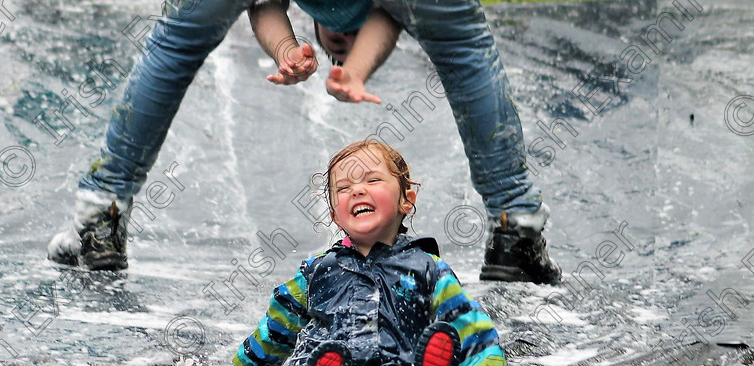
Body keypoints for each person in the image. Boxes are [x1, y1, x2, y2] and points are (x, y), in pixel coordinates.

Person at [47, 0, 561, 284]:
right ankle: (513, 225)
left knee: (177, 41)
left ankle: (102, 213)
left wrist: (291, 50)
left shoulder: (329, 23)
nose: (338, 49)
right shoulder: (377, 19)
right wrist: (317, 59)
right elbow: (387, 16)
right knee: (463, 46)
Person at [190, 140, 539, 366]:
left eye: (373, 180)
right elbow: (277, 327)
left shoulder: (428, 269)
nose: (357, 190)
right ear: (334, 215)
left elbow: (471, 332)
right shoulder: (317, 270)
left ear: (407, 201)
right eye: (343, 189)